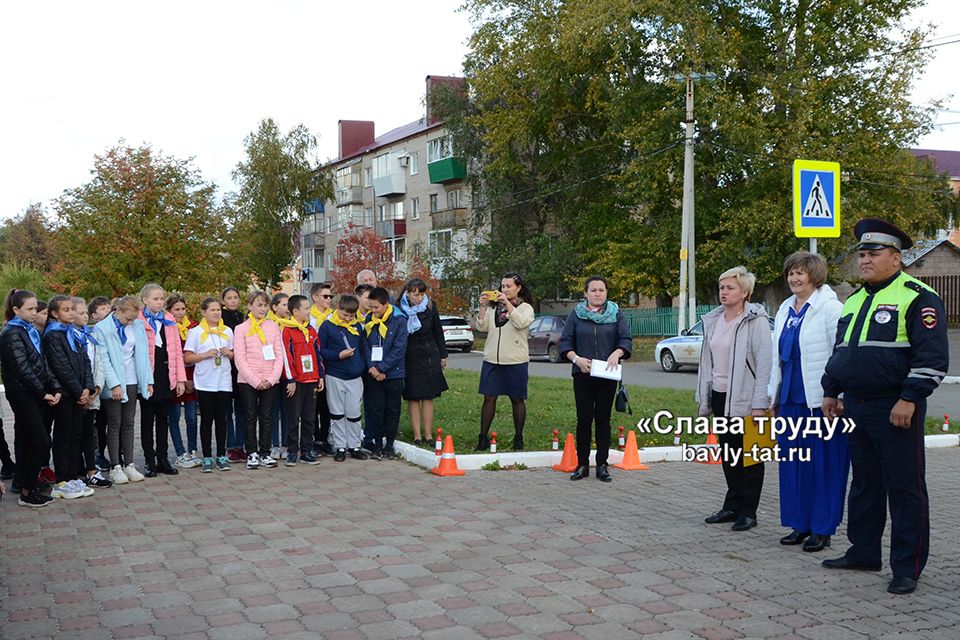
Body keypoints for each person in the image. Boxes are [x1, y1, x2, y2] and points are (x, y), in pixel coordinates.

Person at [820, 218, 949, 595]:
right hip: (856, 407)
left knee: (905, 488)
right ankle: (864, 552)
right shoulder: (855, 300)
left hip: (896, 407)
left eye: (873, 253)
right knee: (864, 484)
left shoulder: (918, 296)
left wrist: (910, 397)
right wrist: (832, 389)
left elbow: (933, 357)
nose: (864, 259)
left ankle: (907, 567)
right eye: (861, 253)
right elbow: (841, 352)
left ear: (895, 258)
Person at [768, 252, 847, 552]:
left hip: (819, 402)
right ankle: (798, 524)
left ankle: (823, 528)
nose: (794, 278)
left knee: (823, 466)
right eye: (790, 273)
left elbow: (839, 355)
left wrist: (837, 396)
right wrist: (772, 397)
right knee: (793, 465)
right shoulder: (786, 309)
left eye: (800, 273)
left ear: (815, 275)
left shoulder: (831, 309)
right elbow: (777, 359)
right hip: (789, 399)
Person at [697, 266, 772, 532]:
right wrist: (704, 396)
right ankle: (732, 505)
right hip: (720, 395)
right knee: (729, 453)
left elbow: (765, 364)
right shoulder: (714, 320)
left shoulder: (756, 321)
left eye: (730, 288)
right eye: (722, 287)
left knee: (750, 456)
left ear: (745, 292)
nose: (724, 292)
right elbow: (708, 362)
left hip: (747, 398)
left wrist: (760, 402)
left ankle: (749, 512)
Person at [558, 276, 632, 482]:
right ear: (585, 294)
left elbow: (625, 339)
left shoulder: (616, 314)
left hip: (607, 375)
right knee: (583, 419)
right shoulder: (576, 315)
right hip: (582, 374)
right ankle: (582, 464)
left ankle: (602, 464)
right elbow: (565, 343)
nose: (598, 293)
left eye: (601, 290)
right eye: (593, 290)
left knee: (603, 419)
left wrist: (617, 353)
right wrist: (576, 359)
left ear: (607, 292)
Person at [0, 289, 61, 508]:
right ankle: (26, 490)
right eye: (30, 309)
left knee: (29, 440)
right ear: (16, 310)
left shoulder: (30, 330)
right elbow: (22, 369)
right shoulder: (11, 333)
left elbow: (42, 362)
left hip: (36, 392)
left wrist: (53, 387)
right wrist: (42, 392)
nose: (35, 312)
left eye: (36, 308)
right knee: (41, 440)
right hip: (23, 394)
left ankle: (28, 486)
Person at [93, 296, 152, 485]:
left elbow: (143, 355)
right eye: (128, 318)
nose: (131, 322)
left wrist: (148, 380)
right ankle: (115, 466)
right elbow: (104, 359)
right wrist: (114, 384)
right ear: (117, 311)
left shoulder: (138, 326)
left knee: (128, 422)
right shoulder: (102, 329)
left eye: (134, 318)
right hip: (114, 381)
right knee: (114, 422)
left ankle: (129, 464)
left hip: (132, 379)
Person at [43, 296, 96, 499]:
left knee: (76, 435)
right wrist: (77, 390)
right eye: (66, 310)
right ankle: (62, 480)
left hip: (78, 393)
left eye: (73, 309)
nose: (72, 313)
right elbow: (61, 367)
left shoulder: (73, 333)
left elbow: (84, 361)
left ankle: (73, 476)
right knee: (64, 437)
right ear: (55, 314)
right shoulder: (53, 335)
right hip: (65, 394)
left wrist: (87, 388)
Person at [475, 273, 535, 451]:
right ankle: (483, 437)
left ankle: (518, 437)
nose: (505, 289)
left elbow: (521, 323)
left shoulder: (525, 308)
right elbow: (482, 326)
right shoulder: (495, 308)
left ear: (518, 288)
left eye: (509, 286)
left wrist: (508, 304)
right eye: (502, 286)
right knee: (489, 397)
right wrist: (483, 307)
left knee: (517, 398)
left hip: (515, 361)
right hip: (492, 359)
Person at [138, 284, 187, 477]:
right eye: (155, 299)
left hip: (167, 375)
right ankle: (149, 461)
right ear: (145, 300)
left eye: (161, 299)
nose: (159, 302)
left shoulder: (169, 319)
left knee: (163, 420)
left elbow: (176, 352)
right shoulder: (138, 321)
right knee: (147, 420)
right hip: (149, 377)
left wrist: (181, 380)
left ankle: (163, 458)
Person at [183, 297, 235, 473]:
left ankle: (221, 455)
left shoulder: (227, 331)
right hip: (205, 382)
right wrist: (205, 355)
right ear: (203, 312)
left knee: (222, 419)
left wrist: (230, 353)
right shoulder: (196, 332)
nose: (216, 313)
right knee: (206, 419)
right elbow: (187, 358)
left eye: (218, 310)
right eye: (212, 310)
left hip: (224, 381)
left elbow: (236, 355)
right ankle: (206, 456)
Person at [234, 291, 283, 470]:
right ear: (249, 306)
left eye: (265, 305)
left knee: (267, 416)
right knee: (250, 416)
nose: (263, 309)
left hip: (270, 379)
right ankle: (252, 452)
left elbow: (279, 355)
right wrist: (255, 380)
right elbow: (240, 358)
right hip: (248, 380)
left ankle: (265, 452)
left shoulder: (273, 326)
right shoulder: (241, 329)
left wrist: (271, 378)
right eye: (259, 305)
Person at [317, 294, 368, 461]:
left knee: (353, 412)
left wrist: (362, 366)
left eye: (351, 316)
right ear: (338, 309)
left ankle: (354, 445)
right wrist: (338, 355)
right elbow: (321, 351)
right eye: (344, 315)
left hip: (354, 376)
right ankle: (339, 446)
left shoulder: (358, 327)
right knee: (337, 412)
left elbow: (362, 349)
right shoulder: (327, 327)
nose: (347, 319)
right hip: (335, 374)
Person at [398, 278, 448, 447]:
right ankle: (417, 436)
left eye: (421, 294)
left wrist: (443, 354)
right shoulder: (399, 309)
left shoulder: (430, 306)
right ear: (407, 293)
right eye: (415, 294)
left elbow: (438, 331)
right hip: (409, 355)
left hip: (429, 355)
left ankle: (428, 435)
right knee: (413, 396)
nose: (418, 298)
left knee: (428, 396)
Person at [362, 287, 408, 459]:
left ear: (386, 304)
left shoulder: (399, 319)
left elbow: (399, 349)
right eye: (371, 307)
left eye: (376, 307)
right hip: (374, 373)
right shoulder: (369, 319)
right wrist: (373, 368)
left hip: (393, 373)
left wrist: (382, 368)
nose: (373, 311)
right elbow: (366, 346)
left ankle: (389, 444)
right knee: (376, 409)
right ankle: (377, 443)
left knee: (392, 409)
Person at [278, 295, 324, 466]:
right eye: (305, 308)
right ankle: (292, 451)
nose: (309, 311)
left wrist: (320, 376)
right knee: (293, 417)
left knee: (309, 417)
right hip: (296, 382)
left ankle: (306, 450)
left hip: (311, 380)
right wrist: (291, 379)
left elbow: (318, 354)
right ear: (295, 311)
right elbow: (286, 356)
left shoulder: (311, 330)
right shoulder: (287, 330)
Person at [71, 296, 111, 489]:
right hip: (75, 395)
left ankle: (91, 470)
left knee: (89, 434)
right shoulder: (67, 335)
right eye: (80, 313)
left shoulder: (91, 336)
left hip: (91, 392)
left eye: (85, 313)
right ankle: (74, 472)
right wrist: (81, 392)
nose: (84, 316)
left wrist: (95, 390)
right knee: (73, 434)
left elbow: (99, 364)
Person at [166, 294, 200, 469]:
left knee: (192, 417)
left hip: (193, 378)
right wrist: (182, 378)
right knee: (174, 417)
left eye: (182, 309)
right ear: (169, 311)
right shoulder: (167, 327)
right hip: (175, 379)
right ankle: (180, 452)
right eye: (176, 309)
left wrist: (191, 379)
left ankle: (193, 449)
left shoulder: (193, 327)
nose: (180, 312)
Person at [308, 282, 335, 455]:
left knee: (327, 405)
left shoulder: (334, 316)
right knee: (313, 405)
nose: (329, 299)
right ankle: (314, 439)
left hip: (332, 366)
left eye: (330, 296)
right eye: (325, 296)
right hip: (314, 366)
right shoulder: (308, 316)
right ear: (315, 297)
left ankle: (325, 439)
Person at [221, 286, 247, 462]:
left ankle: (241, 445)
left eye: (235, 297)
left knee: (242, 410)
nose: (233, 301)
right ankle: (230, 446)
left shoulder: (242, 317)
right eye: (229, 298)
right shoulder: (220, 318)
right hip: (225, 368)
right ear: (223, 301)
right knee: (226, 411)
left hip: (242, 368)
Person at [88, 296, 113, 470]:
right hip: (97, 384)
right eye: (102, 309)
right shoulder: (93, 332)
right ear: (94, 316)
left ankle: (103, 453)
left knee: (106, 420)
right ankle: (96, 454)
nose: (107, 311)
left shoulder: (113, 330)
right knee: (96, 424)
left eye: (108, 308)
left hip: (110, 383)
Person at [267, 292, 291, 460]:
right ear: (274, 307)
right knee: (273, 411)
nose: (287, 308)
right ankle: (274, 444)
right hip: (273, 372)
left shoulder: (292, 324)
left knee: (287, 410)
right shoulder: (267, 325)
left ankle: (286, 443)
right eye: (283, 304)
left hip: (288, 374)